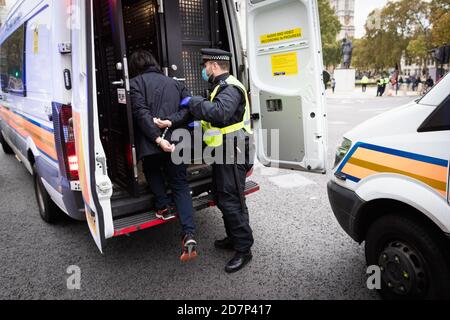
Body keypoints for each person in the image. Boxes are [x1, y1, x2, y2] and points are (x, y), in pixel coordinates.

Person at [181, 49, 254, 273]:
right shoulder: (221, 87)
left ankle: (244, 249)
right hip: (225, 151)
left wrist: (194, 102)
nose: (203, 70)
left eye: (204, 66)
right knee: (224, 197)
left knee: (232, 200)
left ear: (213, 66)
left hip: (234, 151)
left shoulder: (230, 87)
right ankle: (234, 238)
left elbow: (220, 113)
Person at [129, 49, 198, 262]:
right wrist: (171, 122)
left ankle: (162, 205)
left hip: (152, 144)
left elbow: (141, 114)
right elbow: (188, 109)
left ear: (135, 67)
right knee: (180, 184)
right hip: (177, 140)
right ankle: (189, 233)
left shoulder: (134, 84)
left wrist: (158, 139)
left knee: (152, 170)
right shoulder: (176, 83)